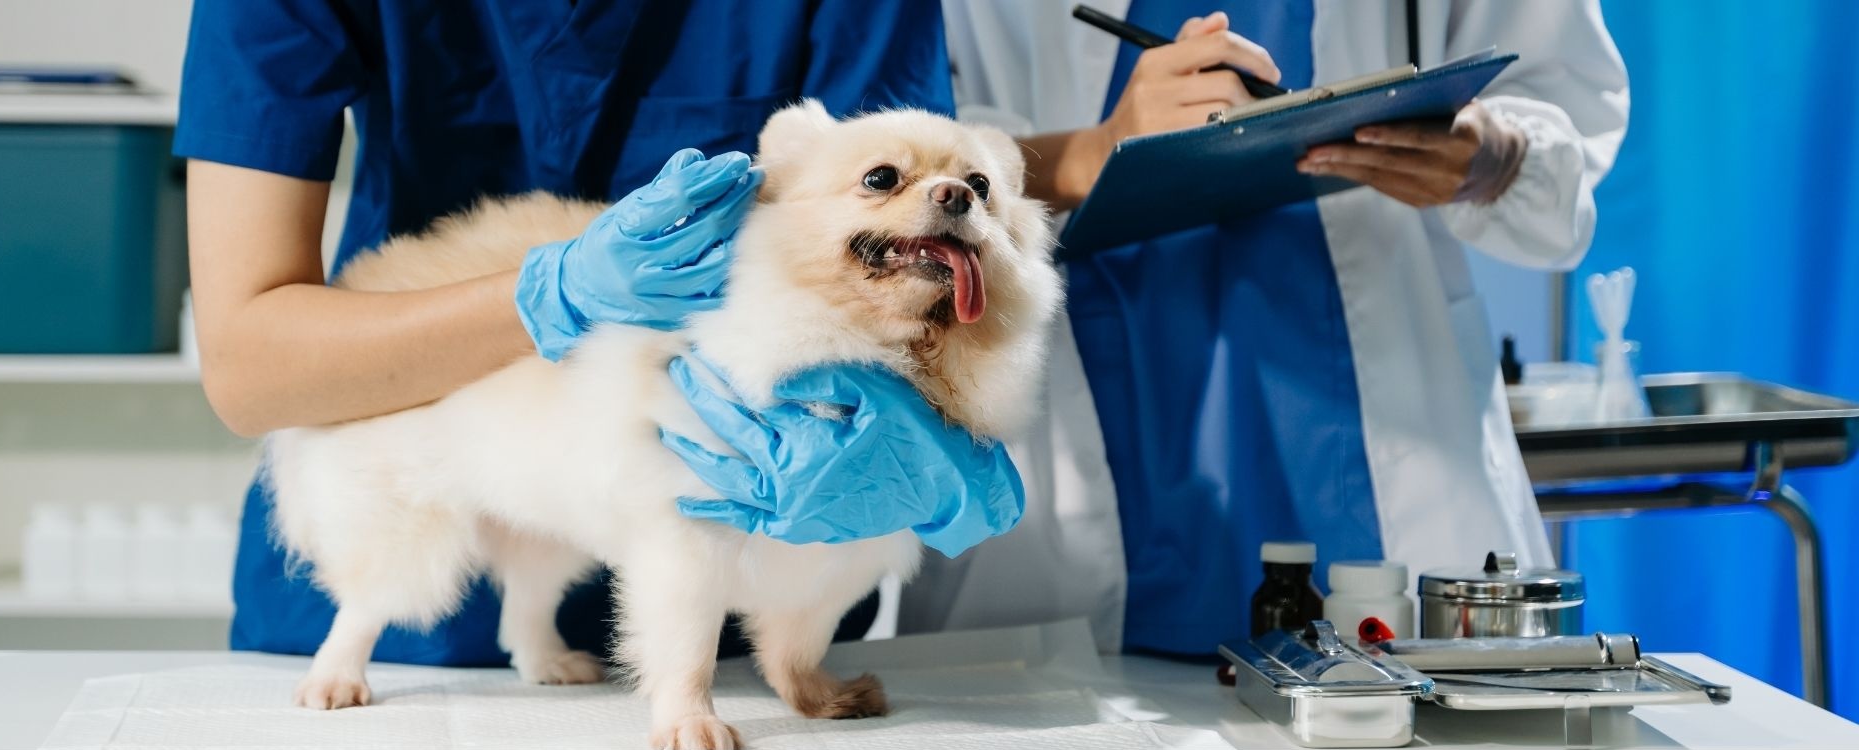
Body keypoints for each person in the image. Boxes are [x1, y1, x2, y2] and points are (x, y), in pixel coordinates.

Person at [176, 0, 998, 665]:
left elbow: (902, 203)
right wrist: (555, 297)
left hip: (751, 618)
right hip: (407, 595)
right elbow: (251, 371)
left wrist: (925, 432)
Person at [910, 0, 1630, 654]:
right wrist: (1101, 147)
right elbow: (891, 160)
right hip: (1075, 422)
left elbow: (1564, 93)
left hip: (1366, 426)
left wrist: (1499, 156)